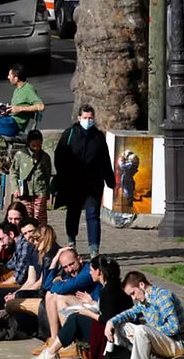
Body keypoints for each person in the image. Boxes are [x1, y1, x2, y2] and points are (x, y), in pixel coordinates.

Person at [38, 256, 133, 359]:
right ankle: (52, 351)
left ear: (99, 272)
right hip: (113, 328)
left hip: (110, 333)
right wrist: (92, 303)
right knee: (75, 317)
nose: (90, 273)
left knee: (75, 319)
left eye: (92, 270)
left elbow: (106, 319)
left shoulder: (107, 291)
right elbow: (110, 309)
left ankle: (50, 353)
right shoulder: (112, 286)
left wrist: (86, 312)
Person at [54, 104, 115, 257]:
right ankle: (71, 241)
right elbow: (59, 156)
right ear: (79, 118)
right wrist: (63, 175)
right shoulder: (70, 134)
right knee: (73, 213)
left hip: (93, 183)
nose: (88, 120)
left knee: (93, 214)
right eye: (85, 118)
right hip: (73, 182)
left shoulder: (98, 136)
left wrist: (110, 180)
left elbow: (105, 159)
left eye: (90, 118)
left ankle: (94, 248)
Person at [104, 271, 184, 359]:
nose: (133, 298)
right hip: (159, 339)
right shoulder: (143, 301)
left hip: (177, 343)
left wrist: (149, 331)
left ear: (141, 285)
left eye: (133, 293)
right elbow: (129, 313)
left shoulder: (163, 297)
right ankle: (119, 355)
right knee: (120, 326)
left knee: (141, 330)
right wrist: (111, 322)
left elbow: (173, 328)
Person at [10, 130, 54, 226]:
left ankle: (41, 236)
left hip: (40, 190)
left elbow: (47, 174)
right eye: (34, 145)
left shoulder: (45, 157)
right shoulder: (20, 155)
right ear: (29, 143)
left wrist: (47, 192)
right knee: (26, 215)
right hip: (24, 191)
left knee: (39, 216)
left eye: (39, 145)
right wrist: (15, 188)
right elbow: (13, 172)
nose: (37, 148)